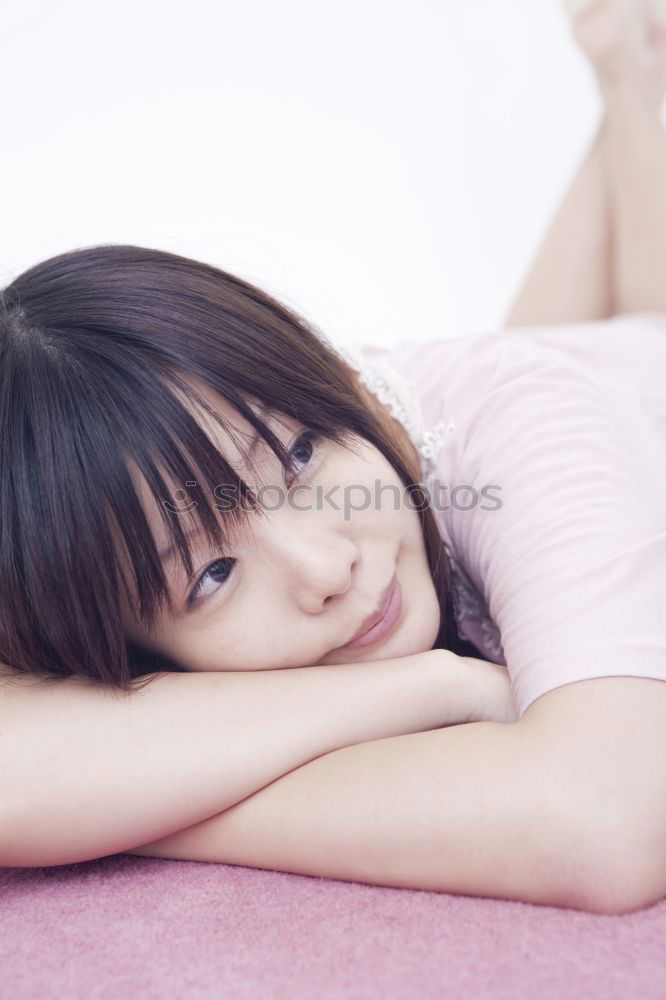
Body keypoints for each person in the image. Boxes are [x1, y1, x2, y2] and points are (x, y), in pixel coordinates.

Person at [1, 0, 665, 914]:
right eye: (212, 574)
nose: (326, 564)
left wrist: (128, 806)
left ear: (331, 376)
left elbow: (610, 820)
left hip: (591, 404)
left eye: (301, 453)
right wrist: (432, 686)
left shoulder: (521, 431)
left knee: (574, 368)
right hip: (589, 374)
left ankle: (636, 72)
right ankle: (631, 74)